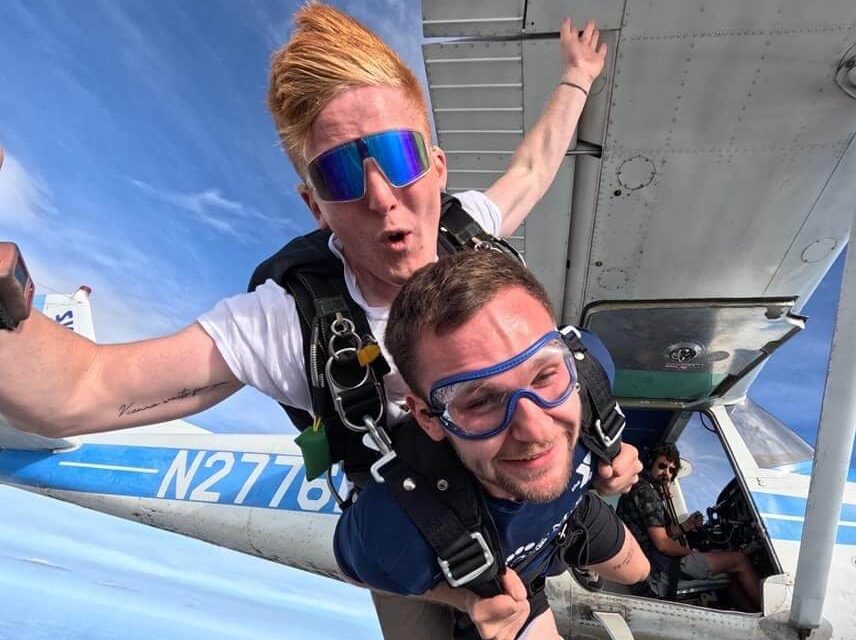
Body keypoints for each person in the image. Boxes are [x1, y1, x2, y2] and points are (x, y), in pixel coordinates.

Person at [0, 4, 641, 639]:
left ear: (437, 166)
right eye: (339, 173)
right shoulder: (288, 324)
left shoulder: (465, 226)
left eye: (397, 155)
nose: (382, 196)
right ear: (315, 207)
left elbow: (532, 170)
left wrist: (577, 77)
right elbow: (78, 391)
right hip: (424, 531)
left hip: (518, 480)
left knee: (632, 565)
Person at [335, 250, 650, 639]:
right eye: (481, 401)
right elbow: (354, 567)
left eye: (544, 374)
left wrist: (614, 454)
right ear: (429, 418)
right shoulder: (397, 533)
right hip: (497, 576)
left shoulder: (591, 370)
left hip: (570, 517)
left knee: (640, 572)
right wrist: (467, 601)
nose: (535, 430)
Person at [616, 443, 763, 611]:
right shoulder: (645, 492)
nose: (667, 473)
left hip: (651, 565)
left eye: (672, 470)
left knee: (727, 569)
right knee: (739, 560)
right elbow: (663, 544)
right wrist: (695, 553)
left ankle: (752, 613)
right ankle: (772, 615)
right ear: (650, 465)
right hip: (659, 569)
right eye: (662, 466)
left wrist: (687, 526)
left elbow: (661, 534)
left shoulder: (642, 489)